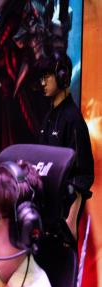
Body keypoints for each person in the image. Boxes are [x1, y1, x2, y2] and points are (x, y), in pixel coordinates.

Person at [38, 51, 94, 239]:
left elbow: (83, 175)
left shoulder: (73, 120)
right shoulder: (48, 117)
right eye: (41, 77)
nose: (43, 83)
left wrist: (71, 218)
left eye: (47, 76)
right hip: (46, 211)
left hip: (62, 217)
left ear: (62, 77)